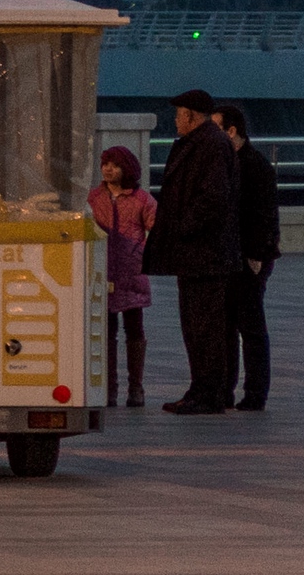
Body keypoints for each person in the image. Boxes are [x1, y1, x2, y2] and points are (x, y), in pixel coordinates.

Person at [142, 89, 242, 414]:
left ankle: (208, 394)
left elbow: (213, 198)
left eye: (178, 114)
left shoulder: (210, 145)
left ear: (191, 116)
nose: (175, 121)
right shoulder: (201, 143)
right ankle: (201, 390)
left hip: (204, 254)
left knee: (204, 328)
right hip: (195, 254)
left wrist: (182, 227)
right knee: (196, 327)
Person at [220, 103, 282, 411]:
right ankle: (226, 389)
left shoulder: (255, 165)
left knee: (251, 326)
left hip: (249, 258)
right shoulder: (227, 162)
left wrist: (257, 254)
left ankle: (256, 392)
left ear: (231, 131)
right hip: (230, 256)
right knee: (227, 326)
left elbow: (265, 214)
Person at [87, 144, 156, 407]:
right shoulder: (93, 198)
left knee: (134, 330)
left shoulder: (141, 200)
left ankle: (136, 388)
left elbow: (157, 229)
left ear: (126, 169)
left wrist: (141, 254)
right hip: (102, 273)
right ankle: (109, 389)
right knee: (106, 333)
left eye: (114, 165)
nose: (107, 169)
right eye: (105, 164)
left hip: (131, 274)